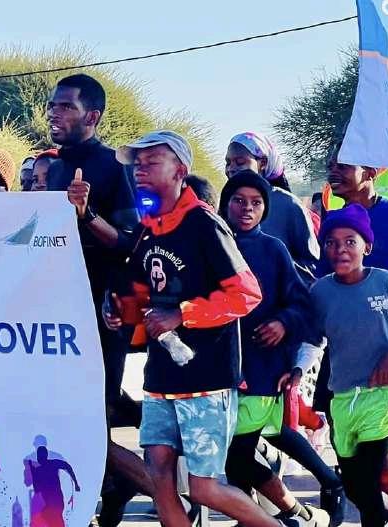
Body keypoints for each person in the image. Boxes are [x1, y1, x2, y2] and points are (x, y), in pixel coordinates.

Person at [108, 130, 275, 527]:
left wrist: (182, 314)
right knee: (158, 474)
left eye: (152, 162)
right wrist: (121, 313)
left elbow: (246, 294)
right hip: (160, 376)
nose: (140, 170)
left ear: (180, 170)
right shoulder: (148, 227)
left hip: (207, 379)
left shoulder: (204, 224)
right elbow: (142, 294)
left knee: (203, 489)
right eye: (137, 164)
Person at [42, 73, 147, 526]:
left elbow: (130, 242)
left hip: (105, 312)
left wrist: (88, 215)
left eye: (66, 106)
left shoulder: (113, 166)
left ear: (93, 116)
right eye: (52, 105)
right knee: (66, 413)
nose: (54, 113)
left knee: (93, 415)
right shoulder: (56, 167)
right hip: (61, 309)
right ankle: (110, 487)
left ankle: (170, 499)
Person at [217, 171, 334, 526]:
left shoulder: (273, 249)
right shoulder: (210, 243)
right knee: (234, 459)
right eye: (239, 201)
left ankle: (298, 512)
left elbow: (301, 304)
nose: (247, 208)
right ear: (225, 204)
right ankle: (281, 516)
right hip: (216, 371)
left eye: (256, 203)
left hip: (262, 370)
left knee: (237, 456)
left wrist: (283, 323)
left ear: (265, 209)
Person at [307, 204, 388, 527]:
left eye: (350, 241)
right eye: (332, 243)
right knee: (354, 486)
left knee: (367, 477)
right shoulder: (320, 292)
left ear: (367, 246)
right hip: (342, 399)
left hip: (384, 396)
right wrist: (297, 371)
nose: (340, 249)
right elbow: (313, 340)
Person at [225, 132, 320, 283]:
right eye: (228, 163)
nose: (231, 168)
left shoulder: (288, 205)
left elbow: (312, 263)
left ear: (262, 163)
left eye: (240, 162)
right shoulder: (227, 204)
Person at [26, 446, 81, 527]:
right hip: (53, 502)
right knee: (50, 518)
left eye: (39, 456)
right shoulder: (50, 465)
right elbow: (67, 466)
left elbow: (37, 489)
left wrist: (33, 472)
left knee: (54, 519)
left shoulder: (43, 468)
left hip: (54, 503)